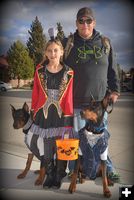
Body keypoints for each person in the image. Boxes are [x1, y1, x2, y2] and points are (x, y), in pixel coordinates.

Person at [63, 7, 120, 181]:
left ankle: (108, 168)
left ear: (94, 23)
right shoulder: (68, 43)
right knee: (77, 138)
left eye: (88, 21)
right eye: (81, 21)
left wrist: (115, 89)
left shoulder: (104, 42)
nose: (85, 24)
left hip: (99, 105)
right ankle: (74, 169)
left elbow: (113, 69)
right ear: (76, 23)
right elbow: (56, 64)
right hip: (77, 102)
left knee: (101, 139)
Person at [30, 35, 74, 189]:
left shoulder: (69, 72)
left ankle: (59, 175)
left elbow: (68, 98)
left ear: (61, 52)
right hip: (44, 113)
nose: (53, 53)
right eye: (50, 51)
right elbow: (35, 92)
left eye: (56, 50)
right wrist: (33, 111)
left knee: (61, 145)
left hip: (62, 115)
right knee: (47, 144)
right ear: (46, 53)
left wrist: (68, 120)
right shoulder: (40, 70)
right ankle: (49, 174)